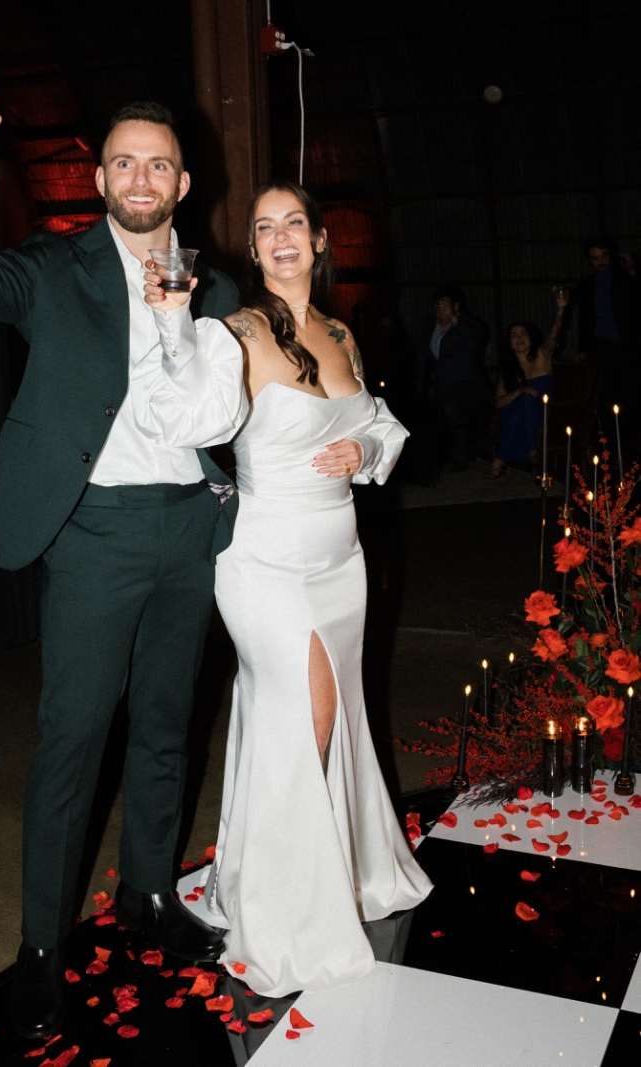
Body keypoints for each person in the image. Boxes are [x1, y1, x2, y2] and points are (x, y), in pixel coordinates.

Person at [0, 82, 245, 1039]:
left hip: (191, 526)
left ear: (184, 181)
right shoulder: (55, 268)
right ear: (99, 178)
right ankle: (42, 946)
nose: (143, 177)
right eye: (125, 161)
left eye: (160, 163)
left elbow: (250, 401)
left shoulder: (216, 286)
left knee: (169, 725)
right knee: (73, 738)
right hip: (94, 531)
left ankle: (145, 892)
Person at [212, 181, 431, 997]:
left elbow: (376, 423)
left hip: (342, 559)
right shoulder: (236, 331)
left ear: (320, 238)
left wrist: (362, 454)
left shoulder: (338, 331)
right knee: (310, 714)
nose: (280, 239)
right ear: (251, 246)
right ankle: (283, 906)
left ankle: (303, 868)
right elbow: (194, 416)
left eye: (293, 223)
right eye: (264, 228)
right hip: (266, 558)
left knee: (324, 715)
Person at [490, 291, 567, 478]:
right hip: (515, 408)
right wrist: (520, 391)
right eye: (514, 335)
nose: (519, 339)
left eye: (523, 334)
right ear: (509, 342)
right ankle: (533, 452)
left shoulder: (542, 355)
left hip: (543, 408)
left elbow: (553, 337)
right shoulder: (507, 371)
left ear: (531, 337)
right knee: (522, 401)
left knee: (520, 413)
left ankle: (499, 460)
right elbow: (498, 403)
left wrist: (560, 311)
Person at [417, 285, 490, 473]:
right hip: (441, 382)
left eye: (445, 304)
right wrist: (420, 380)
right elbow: (423, 353)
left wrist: (455, 319)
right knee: (446, 418)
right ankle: (456, 454)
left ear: (456, 305)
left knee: (455, 413)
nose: (440, 308)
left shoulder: (469, 324)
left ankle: (459, 459)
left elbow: (475, 342)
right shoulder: (429, 324)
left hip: (465, 382)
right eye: (437, 305)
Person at [572, 238, 639, 411]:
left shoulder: (624, 278)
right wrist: (583, 349)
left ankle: (627, 433)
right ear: (589, 260)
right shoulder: (586, 285)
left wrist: (632, 269)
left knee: (629, 394)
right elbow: (584, 320)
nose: (600, 261)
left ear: (610, 256)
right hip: (600, 347)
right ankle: (606, 435)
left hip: (626, 346)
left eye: (603, 256)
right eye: (595, 257)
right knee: (602, 394)